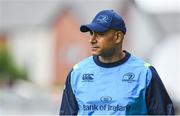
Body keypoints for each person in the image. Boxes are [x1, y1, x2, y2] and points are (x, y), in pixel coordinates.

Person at [59, 10, 174, 115]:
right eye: (91, 33)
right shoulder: (77, 73)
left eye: (100, 34)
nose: (92, 39)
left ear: (118, 37)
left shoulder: (144, 73)